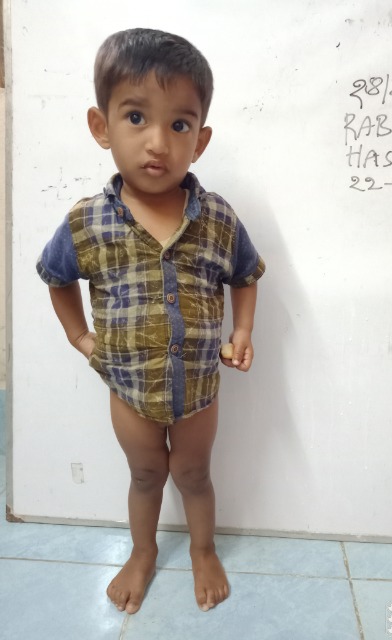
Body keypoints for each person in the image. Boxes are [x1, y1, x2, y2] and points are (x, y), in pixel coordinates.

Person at [36, 28, 265, 615]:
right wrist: (81, 338)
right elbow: (56, 277)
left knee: (194, 473)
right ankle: (142, 552)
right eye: (136, 117)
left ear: (201, 139)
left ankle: (204, 551)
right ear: (101, 125)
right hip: (129, 388)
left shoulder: (217, 218)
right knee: (144, 476)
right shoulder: (87, 222)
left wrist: (242, 332)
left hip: (199, 388)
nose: (158, 142)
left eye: (180, 124)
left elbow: (245, 274)